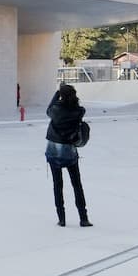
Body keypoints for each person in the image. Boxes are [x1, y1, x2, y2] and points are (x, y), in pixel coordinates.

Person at [44, 83, 91, 227]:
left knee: (58, 185)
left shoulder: (55, 110)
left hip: (54, 150)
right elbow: (80, 111)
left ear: (61, 95)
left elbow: (48, 110)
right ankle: (83, 218)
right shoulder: (79, 111)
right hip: (70, 151)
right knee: (77, 184)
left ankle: (62, 219)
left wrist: (57, 93)